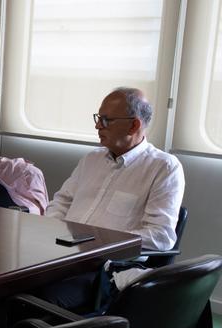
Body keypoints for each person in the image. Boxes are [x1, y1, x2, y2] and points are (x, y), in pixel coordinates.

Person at [40, 87, 185, 311]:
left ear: (134, 125)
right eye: (98, 118)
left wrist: (99, 241)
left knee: (34, 301)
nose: (98, 126)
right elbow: (61, 202)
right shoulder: (91, 159)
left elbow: (162, 236)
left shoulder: (163, 167)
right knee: (2, 288)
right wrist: (54, 230)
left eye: (106, 120)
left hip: (103, 270)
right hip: (62, 257)